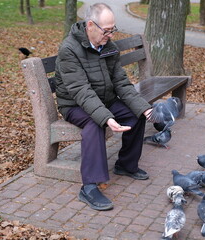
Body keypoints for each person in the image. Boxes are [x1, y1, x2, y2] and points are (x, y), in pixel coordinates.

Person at [54, 3, 152, 211]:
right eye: (106, 30)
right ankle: (89, 187)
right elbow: (81, 91)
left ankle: (125, 165)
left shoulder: (108, 46)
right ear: (90, 25)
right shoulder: (69, 49)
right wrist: (107, 118)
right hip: (74, 104)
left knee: (136, 114)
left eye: (112, 29)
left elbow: (121, 83)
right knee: (94, 124)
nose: (110, 34)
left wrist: (144, 108)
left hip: (104, 100)